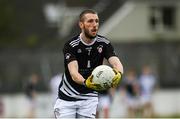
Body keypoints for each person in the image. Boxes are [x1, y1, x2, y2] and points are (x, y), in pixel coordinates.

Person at [54, 9, 124, 118]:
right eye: (90, 21)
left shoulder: (104, 43)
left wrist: (119, 74)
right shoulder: (71, 45)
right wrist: (86, 82)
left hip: (89, 97)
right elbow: (74, 73)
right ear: (81, 24)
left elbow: (116, 62)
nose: (94, 25)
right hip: (67, 98)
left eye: (96, 21)